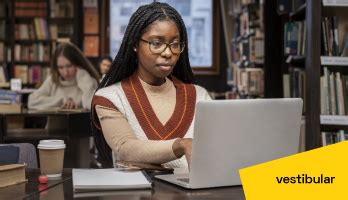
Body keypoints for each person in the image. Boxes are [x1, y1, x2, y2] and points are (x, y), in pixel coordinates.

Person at [91, 2, 211, 169]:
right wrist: (180, 145)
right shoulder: (110, 98)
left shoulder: (200, 96)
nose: (168, 52)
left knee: (258, 185)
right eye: (156, 43)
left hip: (197, 192)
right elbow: (126, 148)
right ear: (134, 44)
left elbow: (219, 147)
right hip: (139, 194)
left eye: (175, 44)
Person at [28, 42, 100, 110]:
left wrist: (83, 76)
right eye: (60, 67)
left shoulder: (87, 80)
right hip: (54, 123)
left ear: (77, 63)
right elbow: (31, 102)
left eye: (69, 66)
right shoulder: (53, 80)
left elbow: (91, 105)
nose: (65, 72)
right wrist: (62, 100)